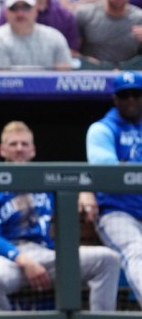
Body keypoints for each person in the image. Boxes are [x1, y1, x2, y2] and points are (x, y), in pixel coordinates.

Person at [0, 121, 121, 311]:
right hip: (9, 260)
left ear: (33, 151)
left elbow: (76, 184)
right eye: (13, 144)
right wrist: (24, 261)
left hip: (47, 256)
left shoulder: (47, 179)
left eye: (24, 144)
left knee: (108, 260)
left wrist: (85, 191)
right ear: (2, 150)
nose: (19, 149)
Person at [83, 70, 142, 309]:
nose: (131, 100)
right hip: (117, 211)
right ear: (115, 99)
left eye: (136, 95)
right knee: (137, 250)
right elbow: (107, 170)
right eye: (124, 95)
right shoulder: (102, 129)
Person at [0, 0, 73, 69]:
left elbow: (64, 79)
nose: (20, 13)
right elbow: (0, 83)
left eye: (26, 7)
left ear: (36, 9)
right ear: (5, 11)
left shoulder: (55, 38)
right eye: (14, 7)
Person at [76, 0, 142, 66]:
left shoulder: (139, 18)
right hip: (93, 74)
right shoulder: (84, 14)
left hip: (129, 76)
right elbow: (70, 51)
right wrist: (85, 60)